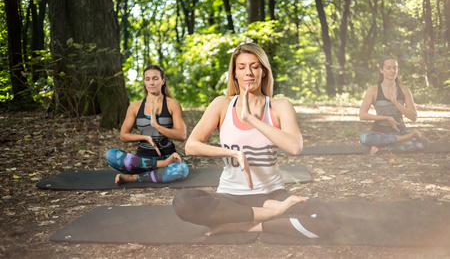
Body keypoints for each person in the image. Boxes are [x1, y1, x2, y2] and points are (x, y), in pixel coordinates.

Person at [172, 43, 341, 238]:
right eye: (241, 67)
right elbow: (191, 146)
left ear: (264, 71)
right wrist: (234, 153)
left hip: (273, 196)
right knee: (184, 201)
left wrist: (251, 119)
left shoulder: (279, 106)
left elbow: (295, 147)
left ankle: (244, 225)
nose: (248, 72)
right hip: (231, 198)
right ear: (234, 73)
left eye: (254, 66)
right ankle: (268, 215)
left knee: (330, 217)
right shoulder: (222, 104)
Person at [105, 65, 189, 185]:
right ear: (144, 81)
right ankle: (158, 168)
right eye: (147, 79)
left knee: (182, 169)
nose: (151, 83)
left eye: (155, 78)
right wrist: (144, 137)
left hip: (168, 158)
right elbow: (123, 135)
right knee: (110, 155)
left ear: (163, 80)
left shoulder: (172, 104)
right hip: (142, 161)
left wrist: (157, 126)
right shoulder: (135, 106)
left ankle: (133, 178)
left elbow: (182, 135)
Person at [359, 56, 429, 154]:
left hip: (400, 131)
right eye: (389, 68)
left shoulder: (404, 90)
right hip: (380, 133)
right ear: (381, 70)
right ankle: (404, 139)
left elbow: (413, 117)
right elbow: (362, 115)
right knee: (364, 138)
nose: (392, 70)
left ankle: (382, 148)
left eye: (395, 68)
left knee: (423, 142)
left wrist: (395, 102)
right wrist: (386, 118)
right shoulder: (373, 90)